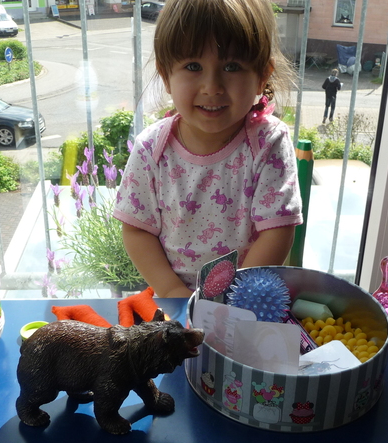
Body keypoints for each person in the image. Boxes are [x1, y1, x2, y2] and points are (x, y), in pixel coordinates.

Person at [113, 0, 303, 298]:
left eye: (231, 67)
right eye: (193, 66)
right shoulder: (151, 148)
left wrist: (235, 297)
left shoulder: (268, 143)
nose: (212, 87)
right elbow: (137, 230)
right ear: (165, 75)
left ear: (262, 77)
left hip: (245, 296)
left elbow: (276, 231)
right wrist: (173, 291)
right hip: (173, 298)